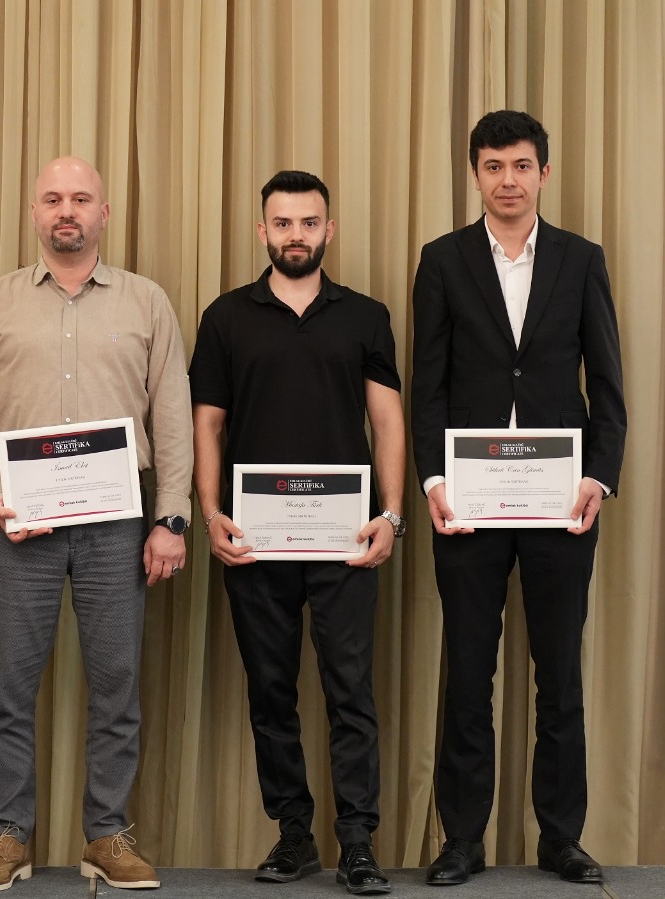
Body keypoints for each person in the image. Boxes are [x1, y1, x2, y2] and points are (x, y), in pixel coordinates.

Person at [0, 156, 192, 893]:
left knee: (117, 683)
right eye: (52, 199)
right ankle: (7, 836)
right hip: (23, 526)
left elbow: (173, 420)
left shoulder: (147, 302)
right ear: (34, 213)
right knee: (10, 687)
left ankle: (107, 833)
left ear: (104, 213)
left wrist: (171, 518)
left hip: (119, 525)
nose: (66, 210)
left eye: (81, 198)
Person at [409, 110, 627, 886]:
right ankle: (462, 839)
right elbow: (427, 383)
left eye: (522, 165)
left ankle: (561, 837)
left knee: (559, 676)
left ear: (543, 173)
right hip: (466, 502)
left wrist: (599, 474)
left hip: (561, 502)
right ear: (476, 174)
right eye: (494, 166)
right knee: (469, 673)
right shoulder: (442, 261)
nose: (508, 180)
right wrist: (432, 479)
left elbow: (607, 380)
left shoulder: (580, 259)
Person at [189, 170, 404, 896]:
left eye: (309, 222)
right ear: (263, 231)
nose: (296, 235)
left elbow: (387, 422)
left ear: (328, 230)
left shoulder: (366, 316)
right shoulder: (226, 317)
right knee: (270, 690)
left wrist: (392, 514)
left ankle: (358, 843)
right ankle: (294, 835)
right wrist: (211, 513)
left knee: (351, 692)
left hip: (348, 541)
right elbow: (207, 425)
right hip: (255, 541)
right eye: (282, 223)